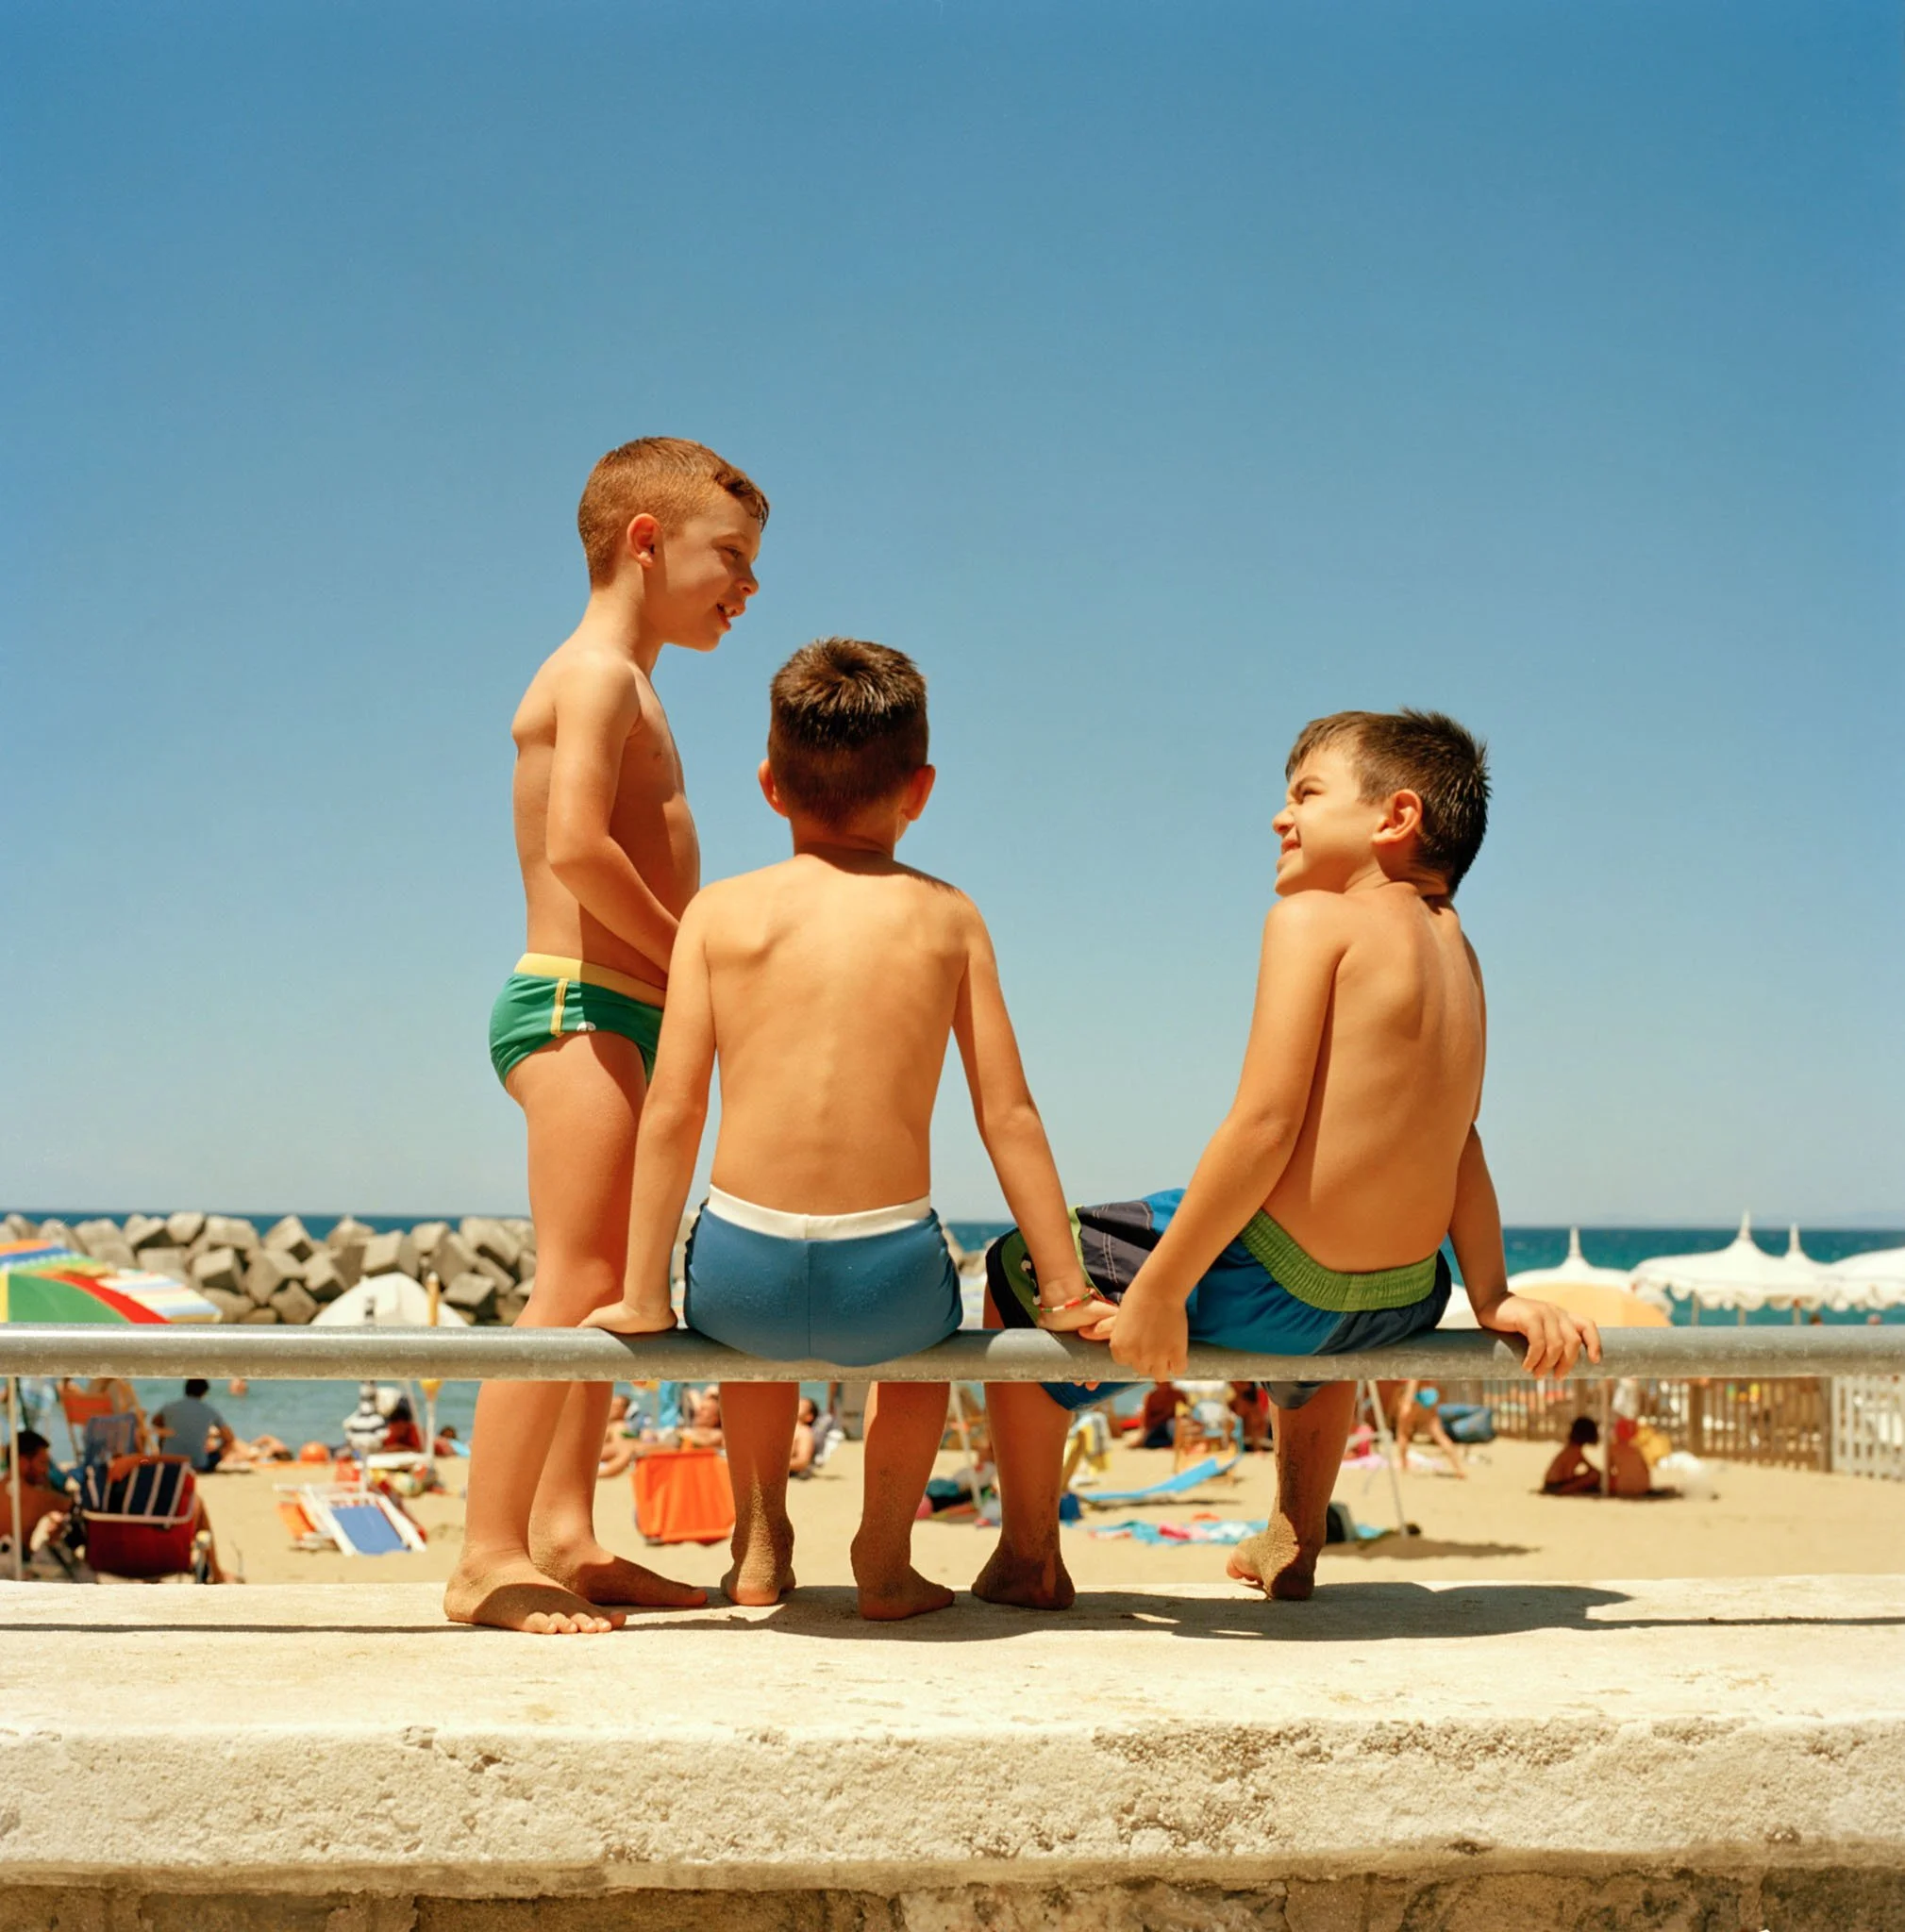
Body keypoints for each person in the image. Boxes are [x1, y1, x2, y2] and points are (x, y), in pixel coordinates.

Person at [978, 708, 1601, 1608]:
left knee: (1024, 1265)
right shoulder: (1461, 957)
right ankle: (1293, 1536)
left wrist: (1156, 1294)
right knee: (1235, 1252)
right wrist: (1492, 1291)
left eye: (1305, 794)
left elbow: (1264, 1126)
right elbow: (1459, 1139)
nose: (1281, 817)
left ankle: (1028, 1554)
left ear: (1394, 818)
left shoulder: (1313, 920)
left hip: (1283, 1289)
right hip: (1398, 1296)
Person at [587, 638, 1105, 1621]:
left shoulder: (718, 914)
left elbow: (676, 1108)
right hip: (884, 1275)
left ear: (769, 785)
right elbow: (1008, 1113)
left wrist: (643, 1286)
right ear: (921, 788)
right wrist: (1067, 1284)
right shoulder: (949, 917)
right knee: (928, 1353)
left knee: (744, 1350)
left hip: (744, 1268)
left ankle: (757, 1533)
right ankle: (885, 1549)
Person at [445, 437, 768, 1638]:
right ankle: (486, 1553)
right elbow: (579, 849)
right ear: (645, 539)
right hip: (575, 1002)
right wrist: (698, 956)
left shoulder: (637, 682)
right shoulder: (591, 674)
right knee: (576, 1279)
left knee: (614, 1296)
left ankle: (569, 1536)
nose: (746, 587)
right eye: (727, 557)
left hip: (624, 1002)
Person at [1, 1431, 70, 1553]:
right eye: (42, 1463)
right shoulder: (39, 1498)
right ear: (22, 1462)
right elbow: (78, 1509)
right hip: (15, 1568)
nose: (46, 1470)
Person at [151, 1380, 228, 1473]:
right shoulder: (210, 1410)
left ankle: (165, 1456)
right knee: (224, 1446)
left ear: (186, 1390)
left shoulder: (170, 1407)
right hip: (198, 1465)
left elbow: (154, 1422)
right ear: (205, 1392)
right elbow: (229, 1438)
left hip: (169, 1463)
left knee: (164, 1431)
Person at [1543, 1415, 1602, 1495]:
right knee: (1593, 1477)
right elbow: (1567, 1476)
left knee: (1593, 1475)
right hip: (1556, 1487)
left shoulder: (1573, 1448)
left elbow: (1590, 1467)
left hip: (1552, 1485)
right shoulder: (1574, 1451)